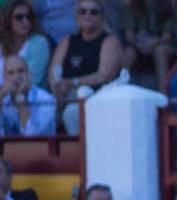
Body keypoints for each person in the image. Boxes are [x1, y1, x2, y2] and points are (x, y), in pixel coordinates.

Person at [48, 0, 124, 136]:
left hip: (95, 96)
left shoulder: (110, 41)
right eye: (82, 12)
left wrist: (73, 82)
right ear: (76, 16)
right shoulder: (68, 41)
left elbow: (104, 75)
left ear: (102, 17)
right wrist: (57, 88)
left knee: (72, 112)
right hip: (65, 94)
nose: (87, 15)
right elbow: (54, 72)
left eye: (93, 12)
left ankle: (80, 152)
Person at [121, 0, 177, 92]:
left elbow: (167, 36)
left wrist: (152, 42)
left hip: (162, 45)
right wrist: (140, 45)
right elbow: (129, 35)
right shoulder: (130, 5)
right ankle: (117, 87)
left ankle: (162, 92)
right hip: (137, 45)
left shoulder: (170, 5)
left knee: (160, 51)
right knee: (129, 53)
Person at [0, 0, 52, 89]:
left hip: (32, 98)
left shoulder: (39, 43)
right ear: (8, 20)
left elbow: (32, 79)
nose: (25, 21)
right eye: (19, 17)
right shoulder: (2, 43)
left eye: (28, 17)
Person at [1, 55, 56, 136]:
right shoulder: (3, 98)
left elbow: (32, 136)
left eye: (20, 71)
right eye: (11, 73)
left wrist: (20, 98)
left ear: (29, 74)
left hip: (41, 147)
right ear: (4, 78)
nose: (16, 76)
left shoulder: (46, 99)